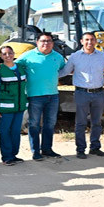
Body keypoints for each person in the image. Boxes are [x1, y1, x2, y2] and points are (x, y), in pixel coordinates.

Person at [59, 32, 104, 159]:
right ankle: (80, 149)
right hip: (81, 93)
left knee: (97, 122)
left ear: (95, 41)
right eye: (86, 40)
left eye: (92, 40)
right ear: (81, 41)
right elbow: (65, 72)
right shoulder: (75, 57)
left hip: (98, 93)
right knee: (81, 123)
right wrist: (46, 76)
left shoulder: (102, 56)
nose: (89, 42)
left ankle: (95, 147)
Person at [15, 32, 66, 161]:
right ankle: (35, 151)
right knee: (34, 124)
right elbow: (13, 66)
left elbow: (62, 70)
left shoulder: (58, 57)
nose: (46, 43)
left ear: (52, 43)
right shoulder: (28, 56)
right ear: (37, 42)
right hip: (34, 96)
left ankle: (47, 149)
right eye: (43, 41)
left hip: (53, 95)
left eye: (49, 41)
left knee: (50, 124)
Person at [0, 45, 28, 165]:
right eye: (4, 54)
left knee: (16, 131)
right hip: (5, 108)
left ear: (13, 54)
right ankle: (6, 157)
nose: (8, 56)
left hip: (19, 106)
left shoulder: (21, 68)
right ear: (1, 56)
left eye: (10, 53)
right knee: (5, 131)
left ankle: (14, 155)